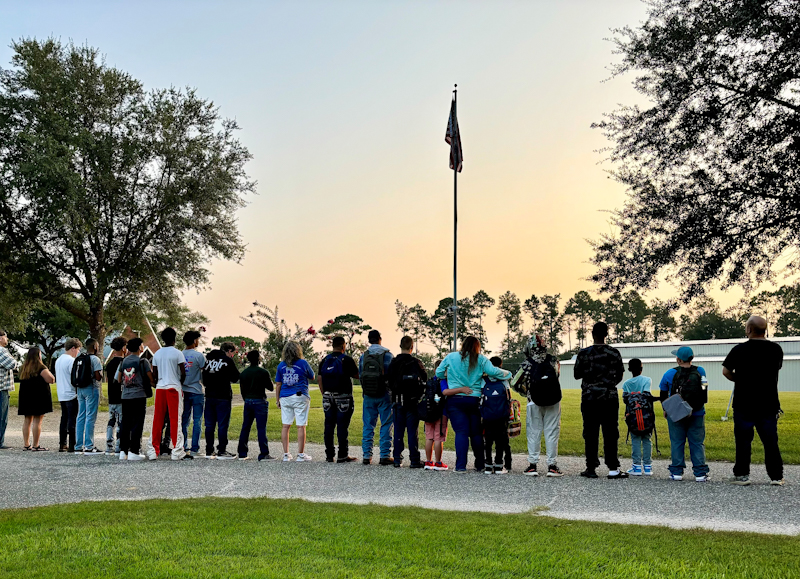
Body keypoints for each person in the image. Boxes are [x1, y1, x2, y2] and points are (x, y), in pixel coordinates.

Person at [723, 315, 785, 486]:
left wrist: (741, 379)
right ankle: (776, 476)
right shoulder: (776, 349)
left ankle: (742, 474)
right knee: (770, 440)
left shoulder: (739, 350)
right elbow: (776, 368)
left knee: (743, 440)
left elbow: (726, 371)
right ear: (764, 329)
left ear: (749, 330)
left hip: (744, 402)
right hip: (768, 402)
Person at [436, 336, 511, 473]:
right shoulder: (481, 359)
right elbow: (493, 372)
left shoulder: (451, 357)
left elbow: (438, 372)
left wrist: (450, 376)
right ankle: (480, 464)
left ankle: (460, 466)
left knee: (461, 432)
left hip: (455, 399)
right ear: (477, 347)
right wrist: (508, 374)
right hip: (475, 398)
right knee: (476, 433)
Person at [574, 322, 627, 479]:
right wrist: (608, 385)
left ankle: (591, 468)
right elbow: (620, 375)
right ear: (606, 334)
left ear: (592, 334)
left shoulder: (583, 354)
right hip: (609, 398)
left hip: (589, 398)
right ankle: (612, 468)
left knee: (590, 432)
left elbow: (576, 375)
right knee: (611, 432)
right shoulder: (614, 353)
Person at [513, 335, 563, 478]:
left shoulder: (526, 364)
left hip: (533, 400)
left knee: (534, 432)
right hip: (553, 400)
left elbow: (514, 382)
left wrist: (525, 392)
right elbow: (557, 375)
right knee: (552, 432)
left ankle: (532, 466)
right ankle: (552, 466)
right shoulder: (553, 360)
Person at [659, 346, 710, 482]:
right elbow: (704, 388)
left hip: (676, 414)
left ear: (679, 359)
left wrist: (666, 409)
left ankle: (676, 472)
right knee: (697, 442)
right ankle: (700, 473)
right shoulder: (700, 371)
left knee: (677, 442)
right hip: (697, 412)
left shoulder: (670, 373)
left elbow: (663, 392)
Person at [387, 336, 427, 469]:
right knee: (412, 432)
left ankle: (397, 459)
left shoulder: (394, 362)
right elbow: (424, 379)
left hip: (398, 401)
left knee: (398, 431)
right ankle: (414, 460)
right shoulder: (416, 362)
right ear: (412, 347)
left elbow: (388, 380)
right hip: (412, 402)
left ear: (400, 345)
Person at [318, 336, 359, 463]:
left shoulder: (325, 360)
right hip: (343, 397)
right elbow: (357, 375)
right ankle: (342, 455)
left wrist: (324, 393)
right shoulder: (346, 360)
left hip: (327, 397)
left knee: (329, 426)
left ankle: (329, 455)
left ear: (332, 345)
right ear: (343, 346)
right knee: (342, 427)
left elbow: (319, 378)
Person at [151, 327, 189, 461]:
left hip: (160, 387)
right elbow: (183, 372)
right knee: (175, 419)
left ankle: (153, 450)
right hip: (173, 387)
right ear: (174, 338)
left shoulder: (157, 353)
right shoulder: (178, 353)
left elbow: (154, 373)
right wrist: (179, 382)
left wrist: (158, 382)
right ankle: (177, 450)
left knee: (158, 419)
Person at [115, 338, 155, 461]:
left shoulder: (124, 361)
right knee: (137, 423)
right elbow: (150, 378)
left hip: (126, 396)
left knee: (125, 423)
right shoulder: (143, 361)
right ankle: (134, 450)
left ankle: (123, 451)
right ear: (139, 347)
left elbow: (118, 379)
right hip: (139, 395)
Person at [360, 329, 395, 465]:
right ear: (380, 339)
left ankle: (367, 455)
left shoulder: (364, 356)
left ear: (369, 340)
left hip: (368, 394)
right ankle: (385, 455)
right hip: (384, 394)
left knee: (368, 425)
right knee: (386, 423)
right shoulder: (388, 355)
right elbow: (392, 376)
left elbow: (360, 374)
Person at [276, 341, 315, 462]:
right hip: (300, 395)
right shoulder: (303, 363)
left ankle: (286, 454)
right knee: (301, 426)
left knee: (286, 425)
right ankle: (300, 455)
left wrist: (278, 400)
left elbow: (278, 384)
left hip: (285, 396)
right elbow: (312, 376)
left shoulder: (281, 365)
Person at [202, 341, 240, 460]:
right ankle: (222, 450)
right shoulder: (227, 361)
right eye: (232, 353)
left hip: (209, 396)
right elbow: (235, 378)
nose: (232, 355)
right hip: (223, 396)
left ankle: (209, 450)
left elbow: (204, 379)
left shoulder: (208, 361)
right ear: (228, 351)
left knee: (209, 425)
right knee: (222, 425)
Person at [237, 350, 274, 461]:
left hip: (248, 401)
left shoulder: (244, 373)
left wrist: (246, 399)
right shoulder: (263, 372)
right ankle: (263, 453)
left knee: (246, 427)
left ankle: (242, 453)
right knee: (261, 428)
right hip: (260, 401)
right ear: (258, 358)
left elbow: (242, 390)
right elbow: (271, 387)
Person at [17, 347, 55, 451]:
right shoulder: (40, 367)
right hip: (39, 396)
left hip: (26, 396)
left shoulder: (24, 368)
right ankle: (36, 444)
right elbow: (50, 379)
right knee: (37, 421)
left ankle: (26, 444)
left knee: (27, 420)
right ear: (38, 355)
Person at [621, 358, 654, 476]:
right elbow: (647, 396)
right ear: (641, 368)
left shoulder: (626, 384)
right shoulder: (647, 380)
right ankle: (648, 466)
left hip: (633, 416)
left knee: (635, 439)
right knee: (647, 439)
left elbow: (625, 400)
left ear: (629, 369)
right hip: (646, 416)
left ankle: (636, 466)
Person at [482, 356, 511, 475]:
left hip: (487, 415)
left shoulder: (483, 380)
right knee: (500, 440)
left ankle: (488, 465)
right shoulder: (504, 379)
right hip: (501, 415)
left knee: (488, 441)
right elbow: (508, 397)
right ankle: (499, 465)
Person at [75, 338, 104, 455]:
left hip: (80, 388)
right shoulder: (95, 359)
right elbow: (98, 376)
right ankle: (89, 446)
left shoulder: (79, 358)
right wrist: (100, 373)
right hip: (91, 388)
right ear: (95, 347)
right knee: (90, 417)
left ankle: (78, 445)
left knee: (80, 416)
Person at [181, 330, 206, 457]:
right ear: (195, 340)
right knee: (197, 420)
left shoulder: (180, 354)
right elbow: (204, 370)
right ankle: (195, 448)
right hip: (196, 390)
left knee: (184, 420)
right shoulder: (199, 356)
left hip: (183, 391)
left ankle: (184, 446)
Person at [54, 338, 80, 453]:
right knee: (72, 419)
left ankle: (62, 443)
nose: (78, 352)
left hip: (61, 393)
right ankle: (72, 444)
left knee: (64, 418)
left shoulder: (58, 360)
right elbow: (75, 377)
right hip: (71, 393)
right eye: (78, 349)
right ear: (73, 348)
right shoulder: (71, 361)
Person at [423, 360, 449, 471]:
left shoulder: (430, 381)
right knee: (438, 437)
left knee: (429, 437)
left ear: (434, 370)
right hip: (441, 412)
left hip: (429, 412)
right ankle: (438, 462)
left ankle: (428, 461)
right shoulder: (443, 381)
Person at [105, 337, 127, 455]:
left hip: (111, 395)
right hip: (121, 396)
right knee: (120, 422)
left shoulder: (110, 363)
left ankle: (109, 445)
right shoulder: (123, 362)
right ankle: (119, 445)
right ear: (123, 348)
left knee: (111, 420)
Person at [0, 329, 18, 450]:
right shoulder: (1, 350)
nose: (7, 339)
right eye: (5, 337)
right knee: (2, 417)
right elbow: (12, 364)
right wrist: (15, 360)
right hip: (1, 388)